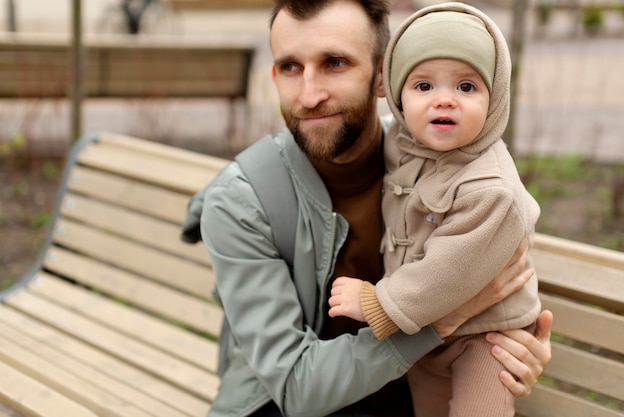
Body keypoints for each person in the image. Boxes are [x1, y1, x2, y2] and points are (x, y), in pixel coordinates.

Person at [184, 1, 553, 416]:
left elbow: (501, 261)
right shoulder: (241, 202)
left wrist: (516, 350)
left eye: (335, 63)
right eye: (290, 67)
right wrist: (442, 321)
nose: (309, 94)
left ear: (383, 76)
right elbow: (294, 387)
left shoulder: (441, 162)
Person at [327, 3, 542, 417]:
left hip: (487, 337)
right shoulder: (403, 145)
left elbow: (450, 268)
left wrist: (378, 302)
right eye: (423, 86)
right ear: (397, 95)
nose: (444, 100)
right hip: (425, 332)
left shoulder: (491, 189)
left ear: (495, 97)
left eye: (466, 87)